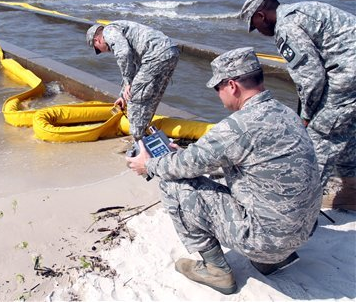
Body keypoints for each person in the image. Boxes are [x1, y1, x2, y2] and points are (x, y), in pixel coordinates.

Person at [126, 47, 322, 295]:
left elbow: (179, 167)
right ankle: (269, 261)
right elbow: (249, 162)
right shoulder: (287, 114)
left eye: (218, 89)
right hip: (304, 232)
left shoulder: (237, 126)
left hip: (268, 241)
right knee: (199, 170)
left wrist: (147, 165)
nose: (219, 96)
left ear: (232, 86)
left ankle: (217, 270)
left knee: (172, 183)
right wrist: (182, 153)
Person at [240, 0, 356, 193]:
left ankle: (303, 205)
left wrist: (307, 116)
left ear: (261, 16)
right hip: (349, 75)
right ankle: (349, 193)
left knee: (318, 137)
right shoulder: (302, 10)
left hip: (348, 76)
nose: (257, 31)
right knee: (346, 136)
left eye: (255, 26)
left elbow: (312, 78)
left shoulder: (287, 27)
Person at [86, 20, 180, 143]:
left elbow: (124, 53)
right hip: (170, 51)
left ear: (97, 40)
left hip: (155, 55)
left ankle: (138, 142)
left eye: (98, 49)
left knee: (135, 98)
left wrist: (127, 85)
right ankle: (144, 137)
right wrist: (122, 96)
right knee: (151, 97)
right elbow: (135, 70)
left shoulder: (108, 31)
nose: (105, 51)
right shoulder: (121, 29)